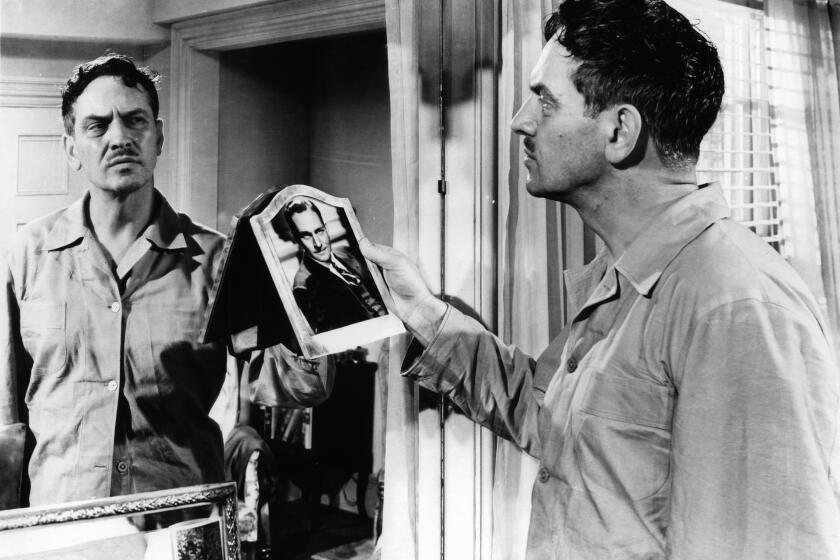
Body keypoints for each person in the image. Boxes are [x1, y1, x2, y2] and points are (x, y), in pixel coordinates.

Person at [361, 1, 840, 558]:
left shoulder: (734, 305)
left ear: (620, 131)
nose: (520, 120)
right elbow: (552, 421)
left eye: (544, 100)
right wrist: (420, 310)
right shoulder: (624, 276)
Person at [0, 54, 333, 509]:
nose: (119, 137)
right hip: (62, 526)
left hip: (179, 527)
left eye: (135, 121)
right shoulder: (29, 255)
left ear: (159, 137)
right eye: (97, 126)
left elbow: (299, 387)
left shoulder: (217, 261)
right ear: (71, 148)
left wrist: (294, 287)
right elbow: (7, 418)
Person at [284, 198, 386, 333]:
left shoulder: (346, 252)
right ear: (297, 239)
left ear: (325, 228)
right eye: (306, 236)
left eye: (319, 231)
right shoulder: (303, 287)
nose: (318, 243)